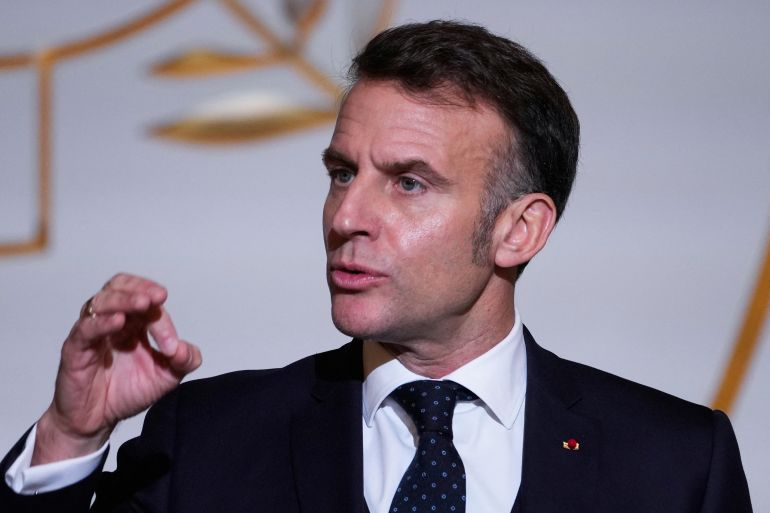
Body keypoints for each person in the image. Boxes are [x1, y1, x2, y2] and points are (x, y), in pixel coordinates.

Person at [1, 20, 752, 513]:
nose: (346, 216)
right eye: (340, 172)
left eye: (408, 182)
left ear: (519, 230)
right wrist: (69, 438)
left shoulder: (677, 463)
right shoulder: (207, 439)